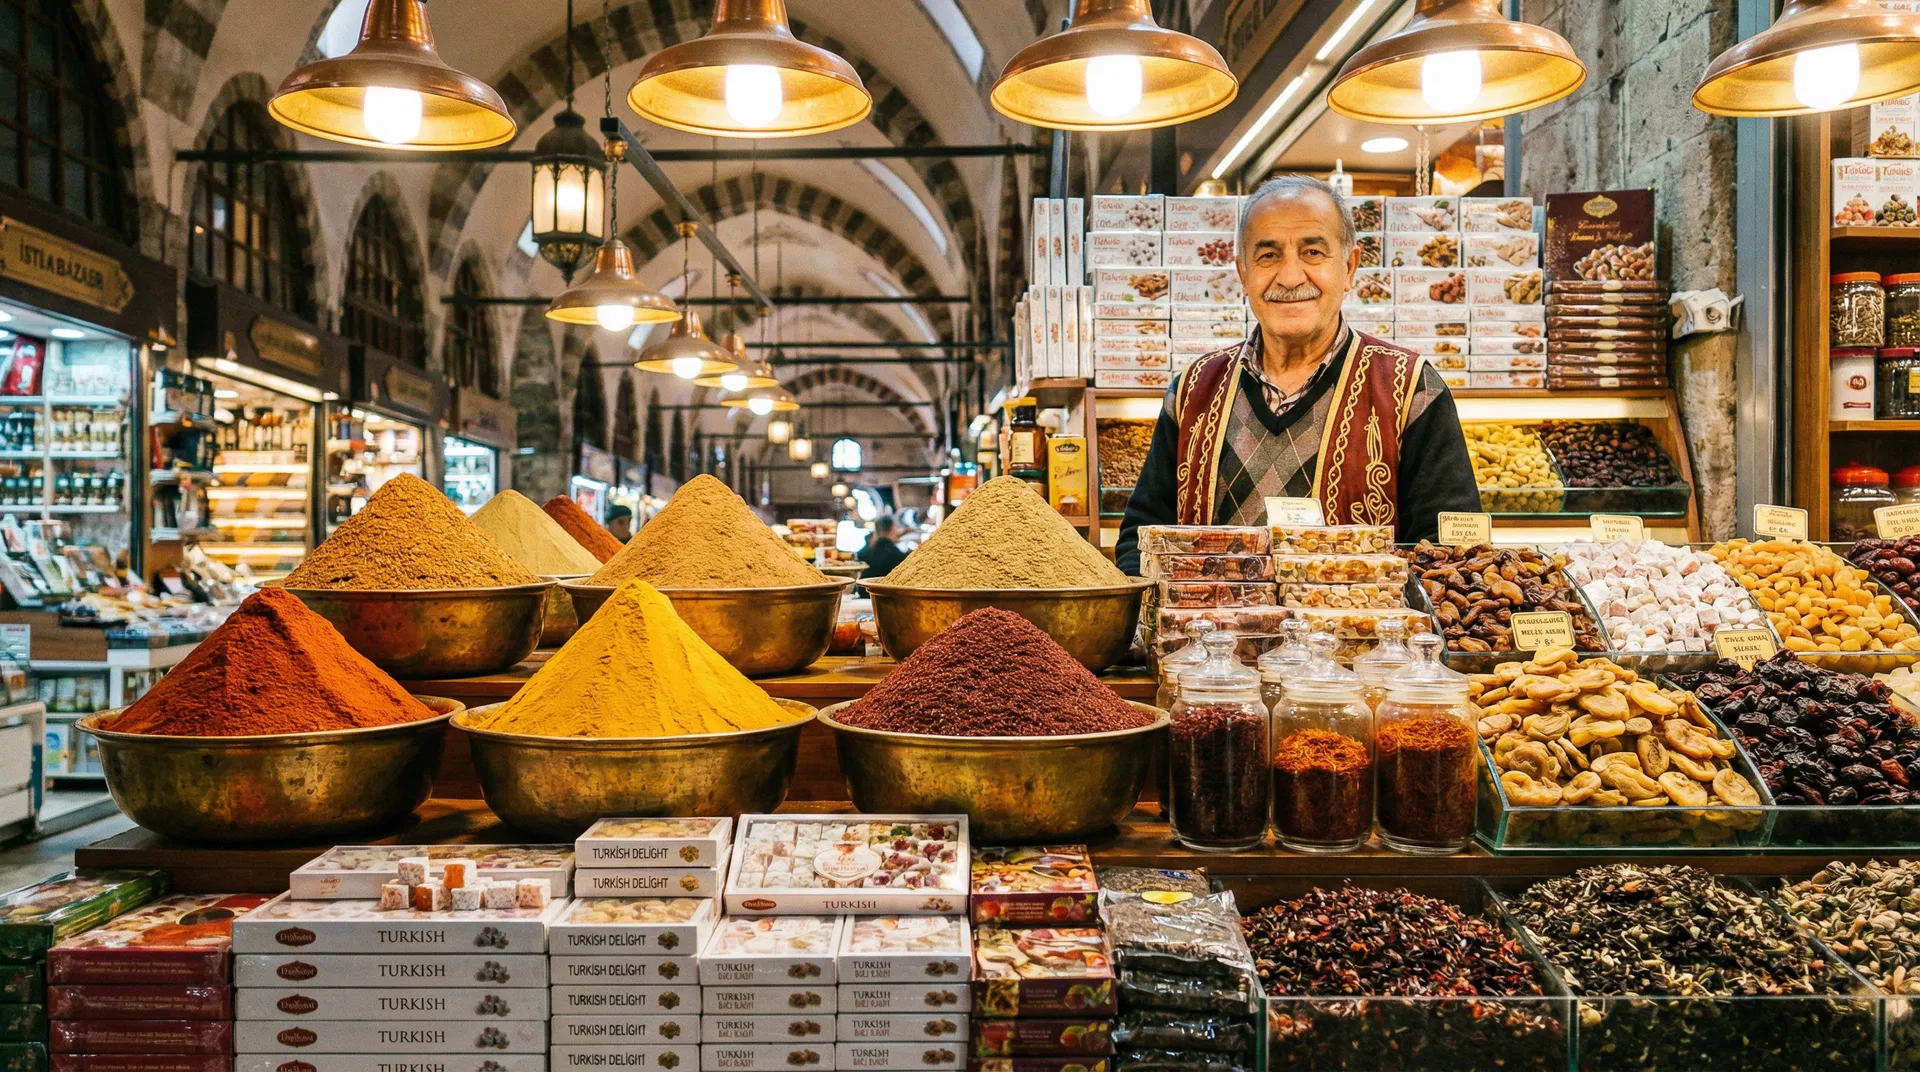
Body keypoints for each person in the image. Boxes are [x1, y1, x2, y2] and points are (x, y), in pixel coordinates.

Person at [1116, 175, 1480, 573]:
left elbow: (1453, 557)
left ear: (1350, 267)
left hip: (1358, 634)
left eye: (1312, 252)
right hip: (1209, 637)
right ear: (1242, 274)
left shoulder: (1411, 389)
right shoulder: (1194, 390)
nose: (1290, 277)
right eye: (1268, 256)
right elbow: (1141, 538)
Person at [857, 514, 908, 580]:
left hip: (863, 588)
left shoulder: (865, 552)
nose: (898, 531)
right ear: (892, 529)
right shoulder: (897, 555)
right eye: (896, 527)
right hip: (884, 590)